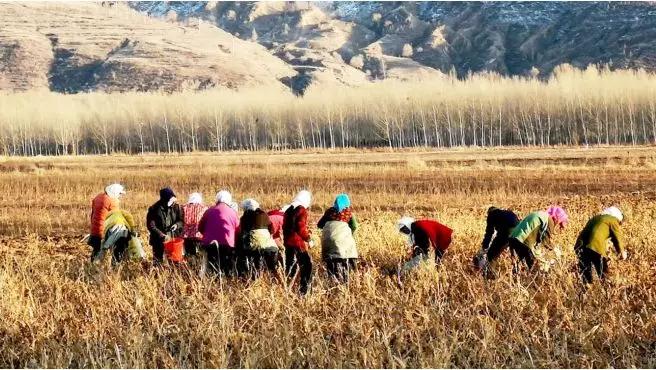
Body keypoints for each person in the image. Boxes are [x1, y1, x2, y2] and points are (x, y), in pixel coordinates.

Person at [574, 206, 627, 285]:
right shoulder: (612, 220)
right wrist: (622, 252)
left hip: (580, 246)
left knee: (585, 274)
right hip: (595, 246)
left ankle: (585, 292)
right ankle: (605, 291)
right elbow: (617, 237)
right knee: (603, 272)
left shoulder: (595, 218)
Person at [508, 206, 568, 272]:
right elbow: (545, 242)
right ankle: (530, 280)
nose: (558, 225)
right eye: (560, 222)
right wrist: (556, 251)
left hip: (513, 237)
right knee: (533, 267)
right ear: (558, 217)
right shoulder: (549, 220)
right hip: (523, 240)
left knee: (520, 266)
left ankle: (517, 278)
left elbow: (538, 235)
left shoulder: (541, 215)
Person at [317, 193, 359, 283]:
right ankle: (344, 284)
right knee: (346, 262)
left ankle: (332, 282)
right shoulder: (348, 212)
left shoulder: (329, 212)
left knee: (331, 266)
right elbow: (354, 226)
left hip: (327, 243)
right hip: (342, 243)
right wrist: (348, 233)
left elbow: (319, 225)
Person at [198, 190, 240, 277]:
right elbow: (238, 230)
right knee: (225, 266)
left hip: (209, 244)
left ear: (217, 199)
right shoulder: (233, 213)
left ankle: (212, 281)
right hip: (227, 244)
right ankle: (225, 281)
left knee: (211, 266)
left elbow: (200, 228)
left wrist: (207, 235)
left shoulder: (209, 211)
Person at [239, 198, 280, 279]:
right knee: (270, 271)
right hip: (271, 247)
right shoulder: (264, 215)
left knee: (254, 269)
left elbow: (242, 233)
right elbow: (272, 230)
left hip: (253, 248)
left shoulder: (244, 217)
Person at [473, 206, 520, 276]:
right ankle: (516, 273)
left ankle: (490, 275)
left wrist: (485, 246)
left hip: (505, 233)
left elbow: (489, 232)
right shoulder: (507, 212)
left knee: (491, 255)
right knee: (513, 253)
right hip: (518, 232)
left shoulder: (492, 215)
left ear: (489, 212)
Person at [283, 190, 314, 295]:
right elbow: (300, 227)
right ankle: (304, 291)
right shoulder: (301, 210)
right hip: (297, 243)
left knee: (291, 267)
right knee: (307, 266)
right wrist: (309, 239)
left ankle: (289, 290)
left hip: (288, 243)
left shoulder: (289, 209)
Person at [146, 187, 183, 265]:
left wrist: (176, 225)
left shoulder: (176, 207)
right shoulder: (154, 209)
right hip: (158, 239)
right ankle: (157, 274)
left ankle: (173, 275)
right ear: (165, 199)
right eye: (170, 199)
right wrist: (161, 235)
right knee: (157, 260)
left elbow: (181, 221)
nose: (173, 202)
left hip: (172, 238)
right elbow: (151, 225)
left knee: (174, 260)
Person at [89, 183, 125, 262]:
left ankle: (91, 266)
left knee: (96, 250)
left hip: (94, 229)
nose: (120, 196)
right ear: (115, 192)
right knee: (117, 247)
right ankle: (115, 265)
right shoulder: (112, 202)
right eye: (119, 194)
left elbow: (92, 213)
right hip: (104, 231)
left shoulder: (98, 197)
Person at [181, 192, 208, 258]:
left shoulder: (183, 207)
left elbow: (181, 220)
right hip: (199, 235)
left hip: (187, 236)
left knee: (189, 255)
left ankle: (190, 267)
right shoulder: (204, 208)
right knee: (200, 255)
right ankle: (198, 267)